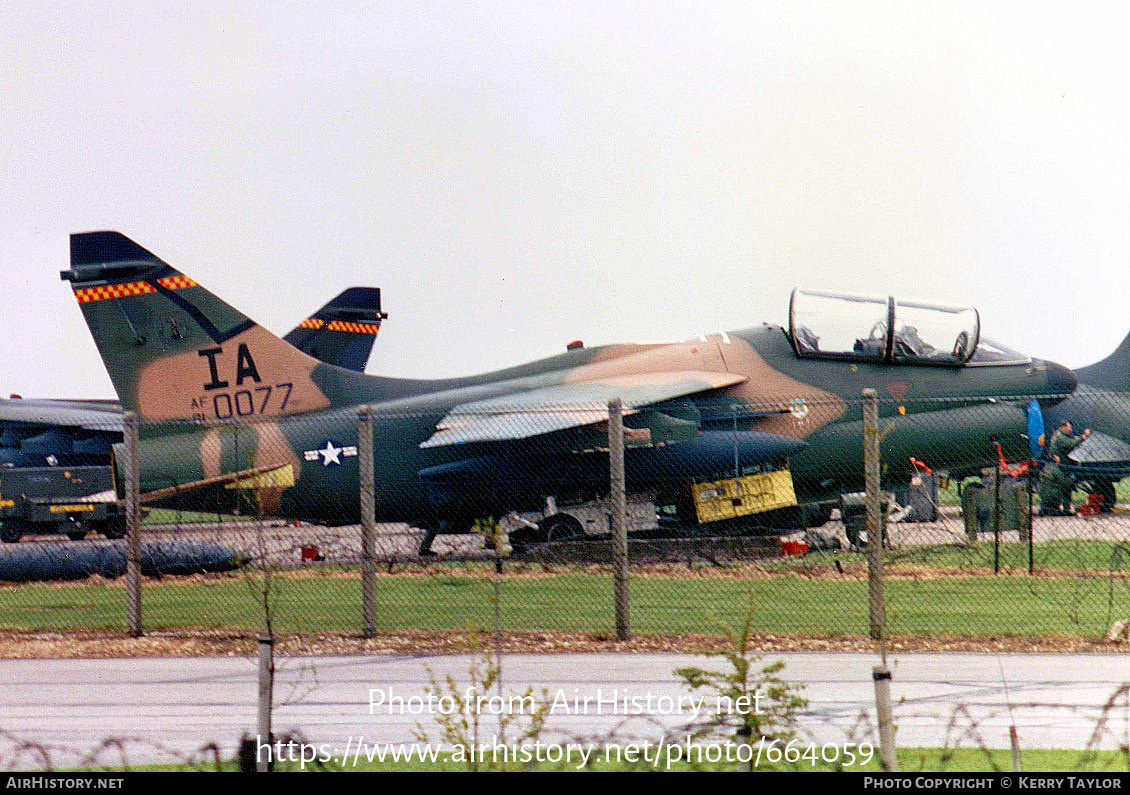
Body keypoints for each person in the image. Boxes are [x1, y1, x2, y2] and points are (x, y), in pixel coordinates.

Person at [1038, 420, 1091, 516]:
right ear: (1063, 427)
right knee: (1065, 486)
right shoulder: (1060, 437)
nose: (1071, 429)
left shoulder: (1060, 435)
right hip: (1058, 468)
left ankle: (1062, 509)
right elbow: (1070, 443)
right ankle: (1061, 509)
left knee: (1065, 487)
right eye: (1069, 427)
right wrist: (1083, 436)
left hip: (1061, 467)